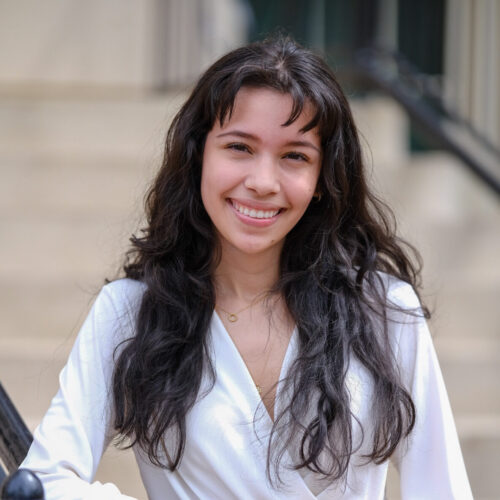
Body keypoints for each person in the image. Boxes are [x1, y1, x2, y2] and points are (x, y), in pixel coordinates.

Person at [21, 36, 472, 499]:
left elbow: (441, 489)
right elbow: (47, 479)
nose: (261, 182)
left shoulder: (384, 311)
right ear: (199, 156)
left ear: (322, 179)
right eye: (239, 147)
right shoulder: (130, 312)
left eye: (295, 156)